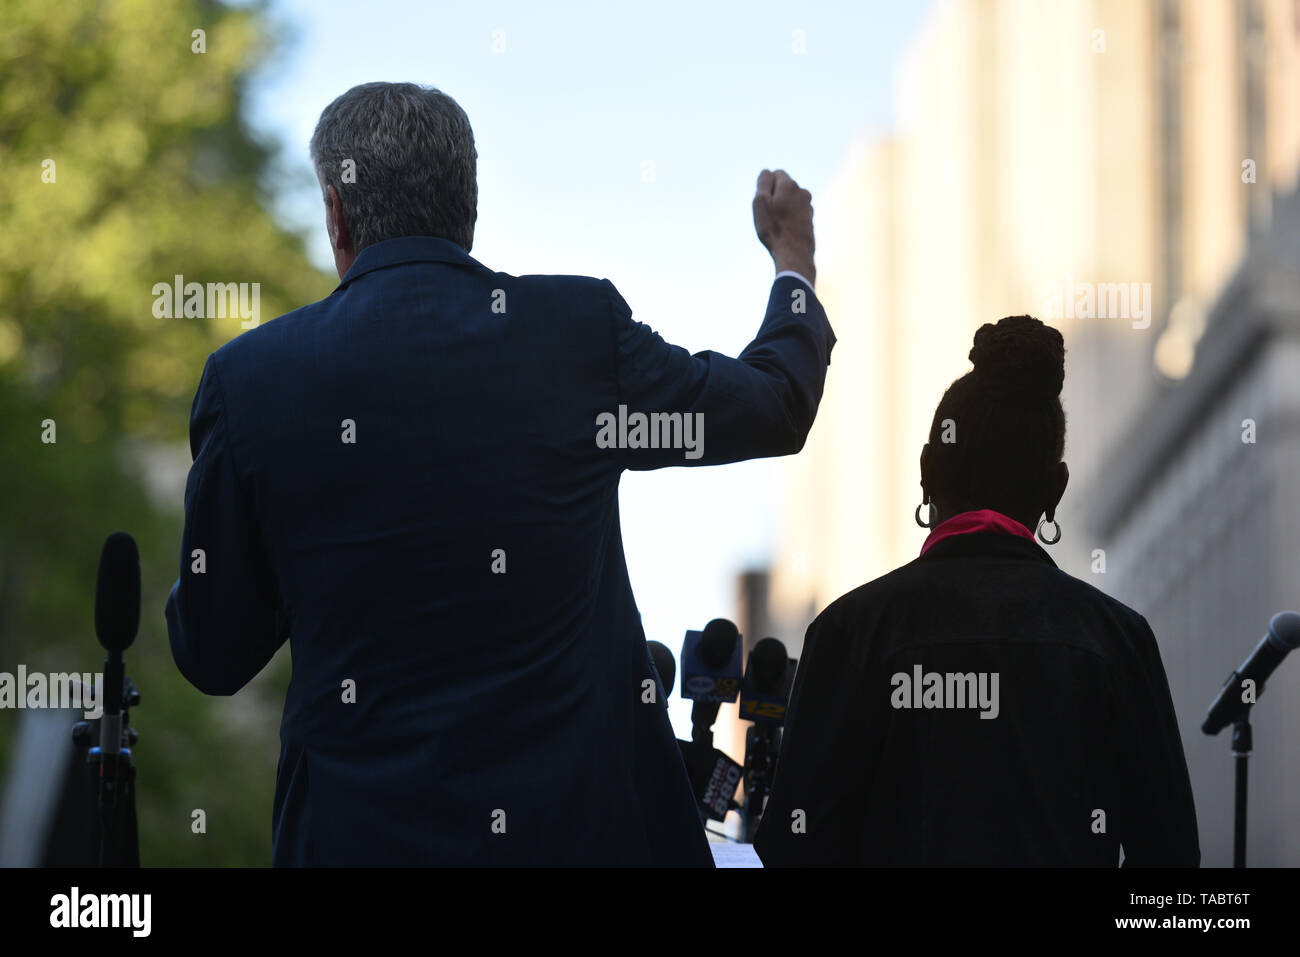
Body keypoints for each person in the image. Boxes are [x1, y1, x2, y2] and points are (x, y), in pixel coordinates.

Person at [163, 82, 834, 865]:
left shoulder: (252, 382)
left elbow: (213, 654)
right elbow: (774, 406)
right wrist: (794, 260)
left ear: (336, 215)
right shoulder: (576, 336)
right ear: (468, 210)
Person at [754, 315, 1199, 867]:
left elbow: (792, 845)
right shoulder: (1116, 638)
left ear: (926, 471)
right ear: (1054, 489)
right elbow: (1174, 860)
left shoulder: (848, 631)